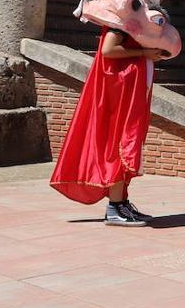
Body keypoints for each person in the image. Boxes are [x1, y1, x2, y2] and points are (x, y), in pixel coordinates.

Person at [51, 27, 167, 226]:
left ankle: (120, 203)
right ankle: (115, 207)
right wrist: (143, 53)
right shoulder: (121, 21)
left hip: (127, 90)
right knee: (119, 144)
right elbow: (108, 50)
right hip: (118, 93)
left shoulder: (133, 19)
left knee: (125, 144)